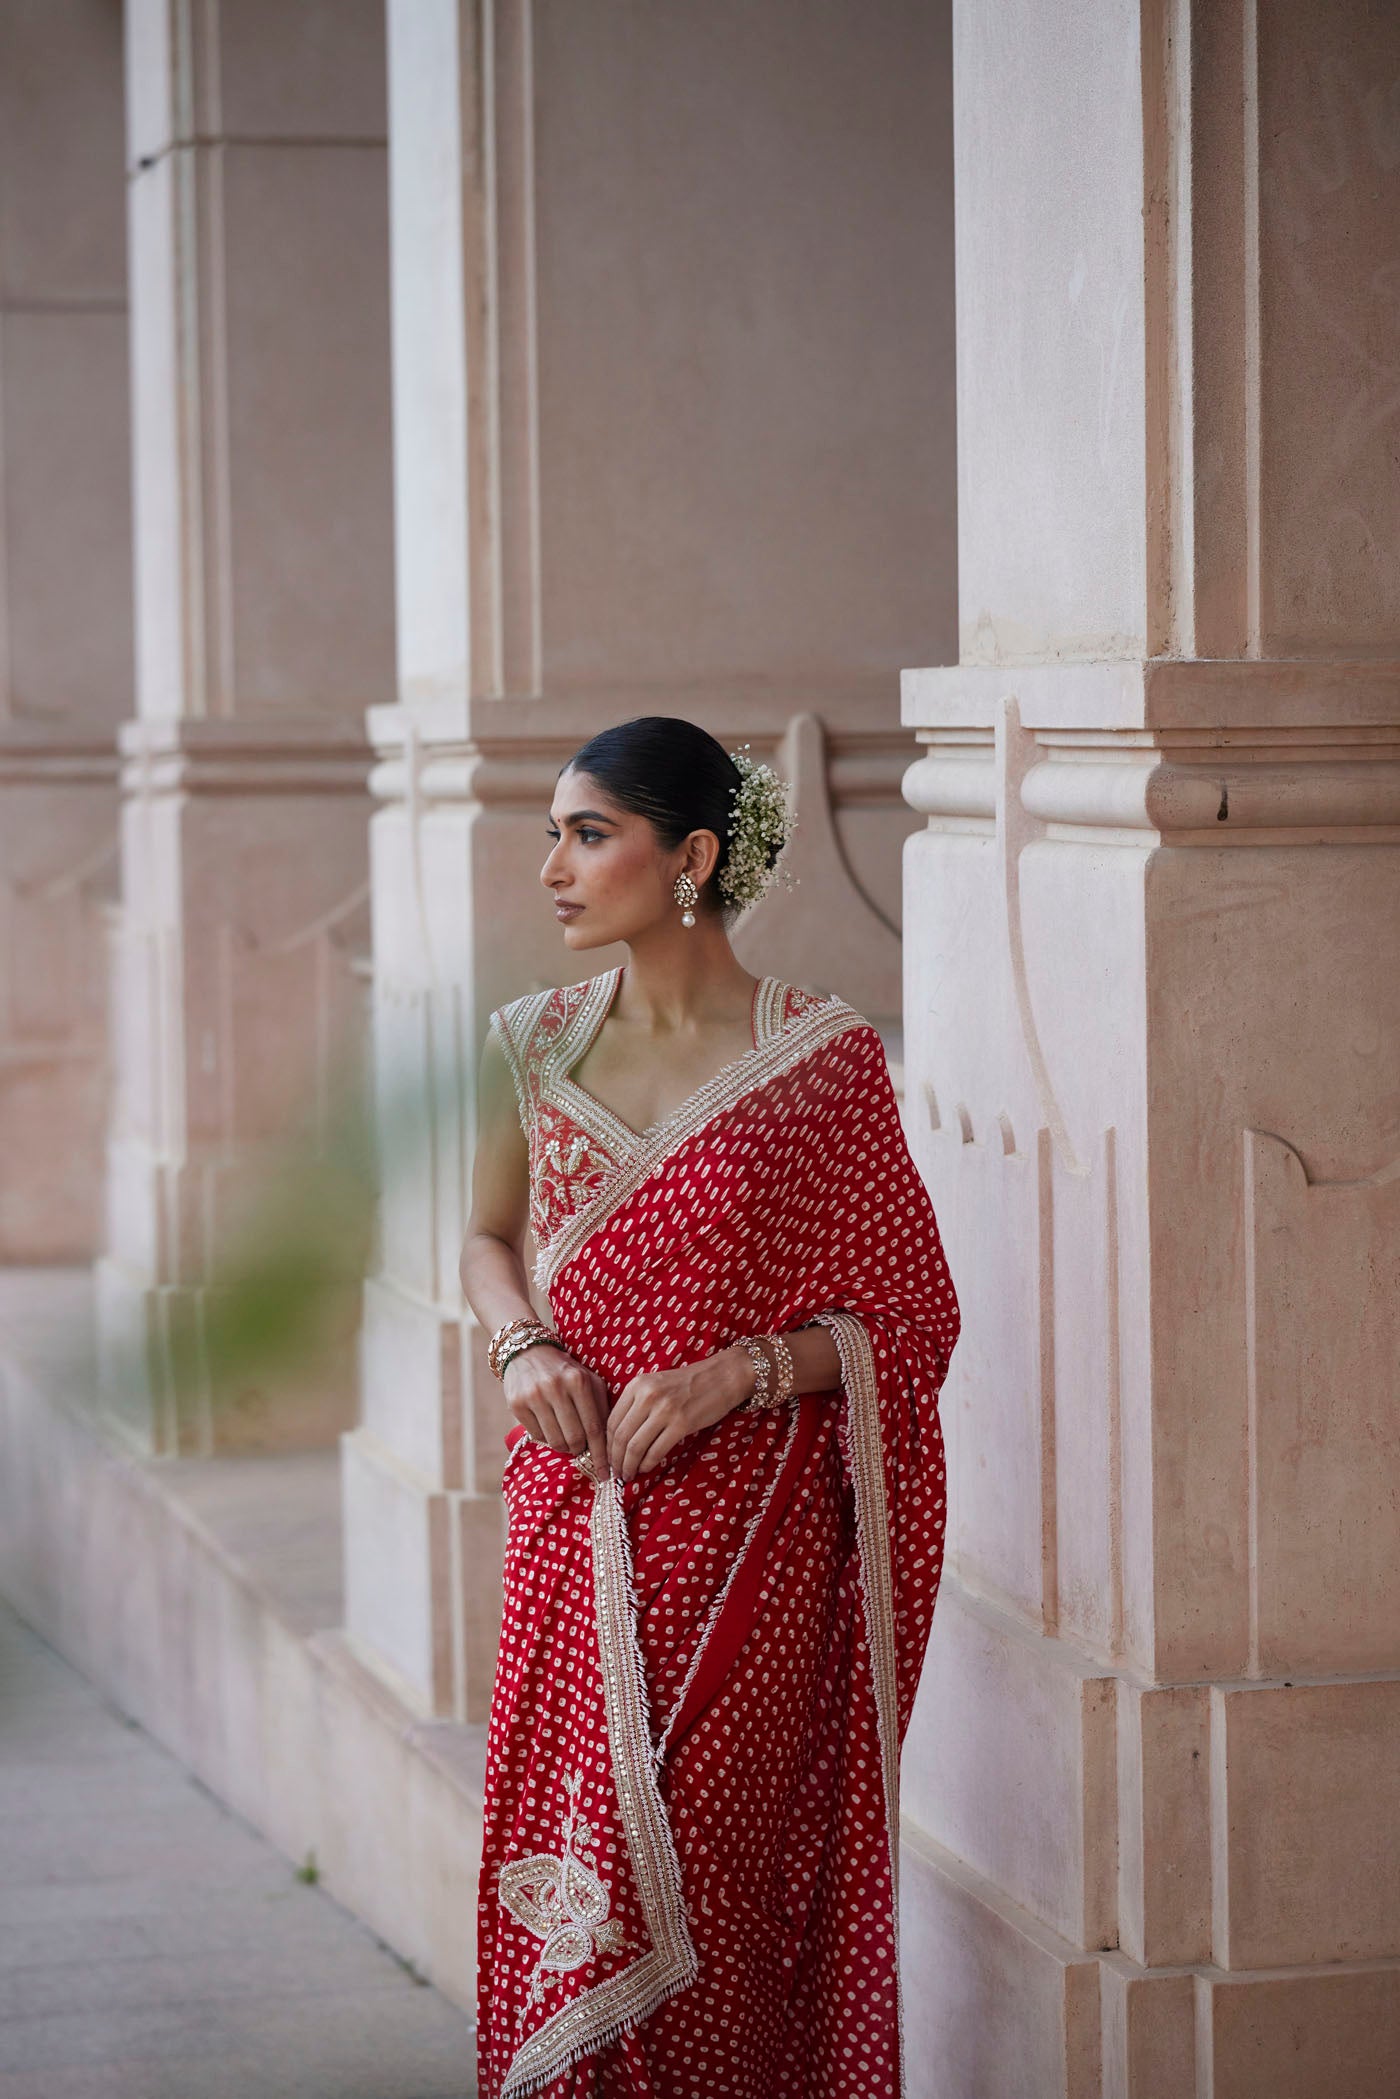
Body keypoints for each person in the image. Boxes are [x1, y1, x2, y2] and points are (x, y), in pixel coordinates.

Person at [461, 716, 960, 2099]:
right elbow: (485, 1241)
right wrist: (523, 1353)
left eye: (587, 833)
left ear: (689, 857)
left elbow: (912, 1315)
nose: (552, 867)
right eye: (552, 834)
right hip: (574, 1529)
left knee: (715, 1890)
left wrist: (735, 1373)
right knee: (574, 1875)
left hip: (750, 1548)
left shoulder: (821, 1064)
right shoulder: (528, 1045)